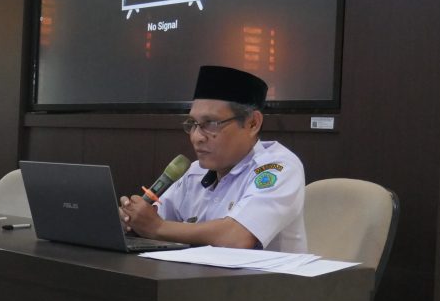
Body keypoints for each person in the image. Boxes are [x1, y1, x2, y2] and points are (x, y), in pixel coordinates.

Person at [120, 65, 307, 252]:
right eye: (193, 123)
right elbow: (153, 218)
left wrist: (157, 227)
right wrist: (133, 221)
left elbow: (237, 237)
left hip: (261, 272)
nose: (197, 137)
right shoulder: (194, 172)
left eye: (211, 123)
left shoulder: (279, 167)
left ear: (252, 123)